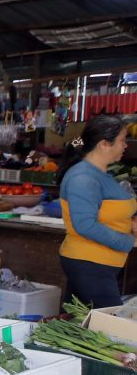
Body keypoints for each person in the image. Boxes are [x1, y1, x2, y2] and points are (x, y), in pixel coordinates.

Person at [58, 115, 134, 307]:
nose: (126, 145)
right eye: (122, 140)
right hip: (89, 262)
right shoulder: (83, 178)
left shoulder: (100, 174)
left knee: (80, 323)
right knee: (109, 326)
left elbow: (110, 210)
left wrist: (130, 222)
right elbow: (85, 225)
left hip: (97, 263)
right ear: (104, 144)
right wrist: (129, 241)